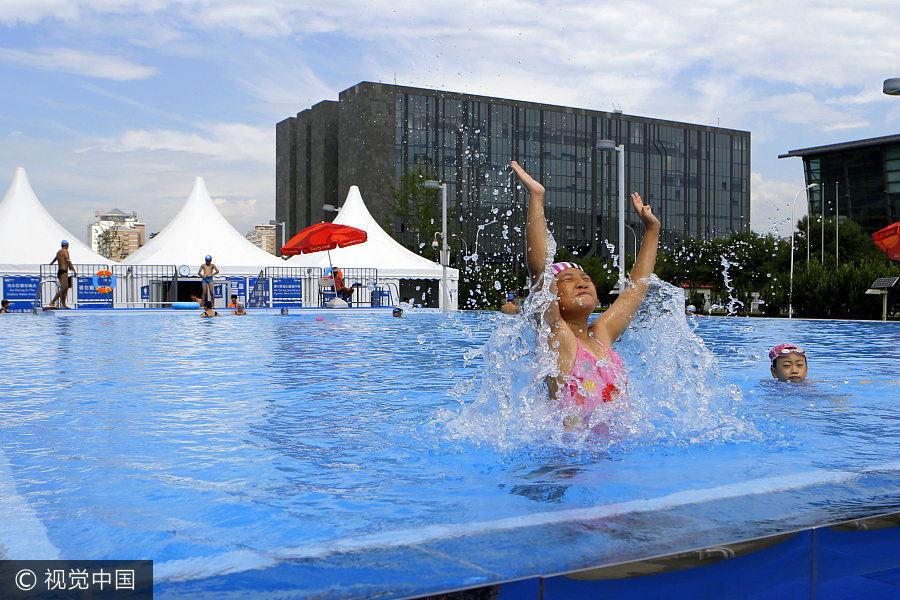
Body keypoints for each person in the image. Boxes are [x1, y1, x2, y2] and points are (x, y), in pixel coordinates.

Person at [511, 160, 660, 429]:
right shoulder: (558, 337)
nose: (581, 283)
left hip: (611, 448)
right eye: (567, 280)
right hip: (570, 449)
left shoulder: (601, 335)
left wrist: (652, 230)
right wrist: (537, 197)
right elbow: (540, 270)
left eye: (586, 279)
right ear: (552, 294)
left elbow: (636, 288)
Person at [48, 240, 76, 309]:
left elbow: (56, 258)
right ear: (67, 245)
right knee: (63, 288)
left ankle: (63, 304)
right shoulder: (65, 251)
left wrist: (52, 263)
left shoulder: (59, 252)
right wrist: (73, 269)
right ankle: (52, 302)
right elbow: (68, 260)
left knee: (66, 288)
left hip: (60, 271)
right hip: (64, 272)